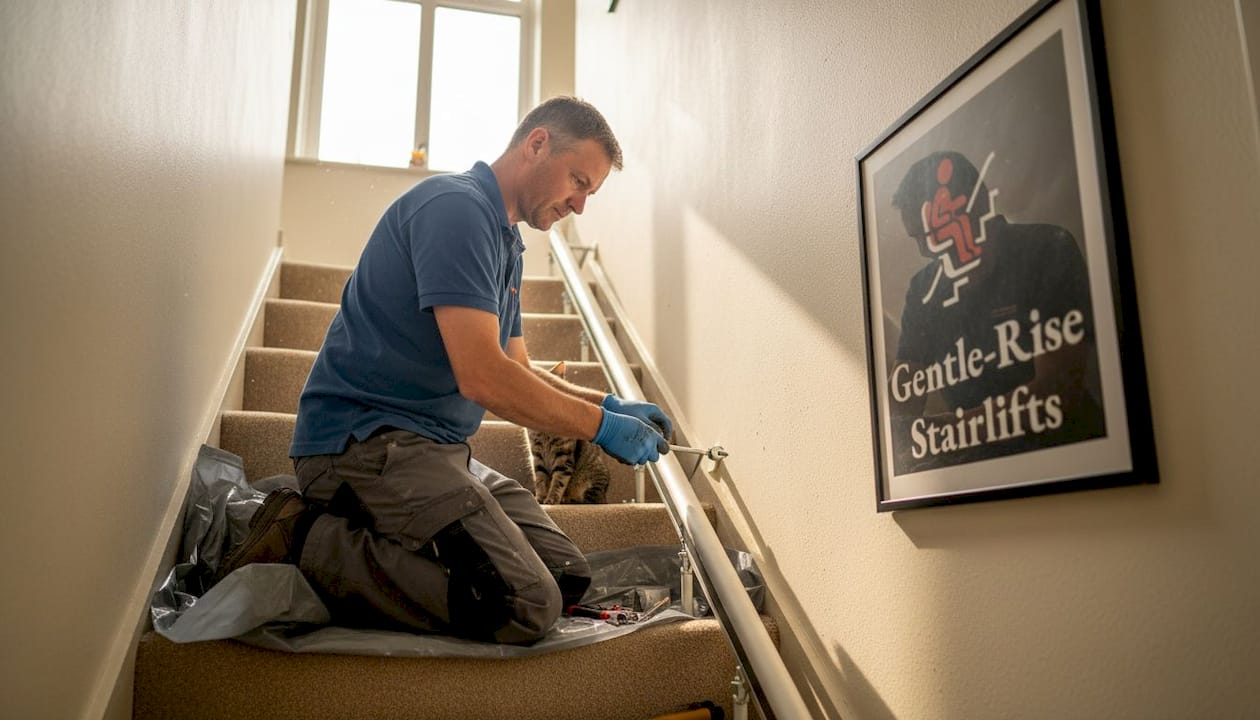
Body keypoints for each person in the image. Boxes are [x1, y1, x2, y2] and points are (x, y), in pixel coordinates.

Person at [215, 97, 674, 645]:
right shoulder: (456, 210)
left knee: (566, 579)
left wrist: (607, 406)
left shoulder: (506, 243)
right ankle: (301, 537)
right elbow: (484, 378)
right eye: (577, 181)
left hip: (437, 452)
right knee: (523, 604)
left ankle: (394, 533)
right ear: (536, 144)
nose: (579, 206)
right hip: (361, 445)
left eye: (589, 194)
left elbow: (516, 366)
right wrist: (600, 429)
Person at [887, 150, 1105, 475]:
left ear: (975, 206)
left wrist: (949, 430)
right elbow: (905, 392)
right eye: (917, 237)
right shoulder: (924, 288)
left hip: (1068, 458)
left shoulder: (1046, 248)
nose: (925, 250)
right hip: (976, 471)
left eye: (933, 232)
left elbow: (1057, 390)